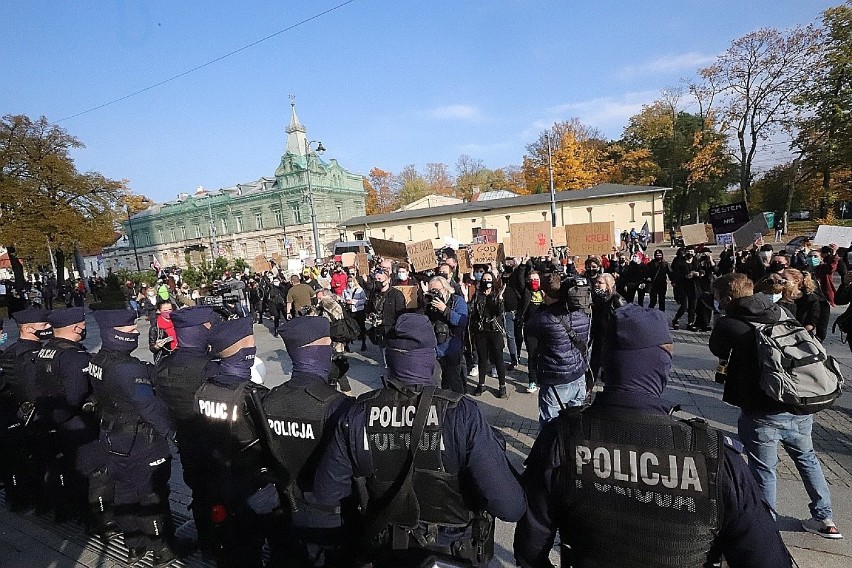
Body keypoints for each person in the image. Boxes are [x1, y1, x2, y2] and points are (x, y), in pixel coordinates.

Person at [514, 303, 793, 568]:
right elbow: (767, 559)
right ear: (660, 364)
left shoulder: (561, 438)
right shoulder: (713, 456)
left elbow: (530, 545)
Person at [314, 313, 526, 567]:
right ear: (430, 358)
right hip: (454, 552)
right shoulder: (461, 414)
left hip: (388, 551)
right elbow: (510, 507)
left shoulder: (357, 413)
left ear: (388, 358)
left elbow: (327, 493)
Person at [710, 273, 842, 538]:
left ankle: (764, 525)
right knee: (808, 460)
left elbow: (718, 349)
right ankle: (825, 518)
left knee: (763, 469)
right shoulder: (779, 311)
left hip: (762, 411)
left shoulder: (729, 323)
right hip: (797, 402)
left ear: (726, 298)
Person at [88, 310, 182, 565]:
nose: (136, 333)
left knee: (124, 492)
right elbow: (149, 407)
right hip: (141, 442)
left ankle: (134, 547)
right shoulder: (127, 369)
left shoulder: (99, 360)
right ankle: (163, 549)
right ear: (114, 333)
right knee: (151, 495)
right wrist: (174, 433)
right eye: (130, 330)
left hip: (112, 437)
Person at [261, 317, 354, 567]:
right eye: (328, 344)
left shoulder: (270, 399)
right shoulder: (338, 405)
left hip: (283, 509)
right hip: (326, 519)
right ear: (318, 350)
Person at [194, 317, 281, 567]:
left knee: (235, 546)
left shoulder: (204, 389)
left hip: (220, 479)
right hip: (254, 485)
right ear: (247, 344)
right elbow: (272, 445)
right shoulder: (252, 395)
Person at [33, 308, 118, 538]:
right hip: (79, 423)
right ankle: (104, 521)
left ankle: (82, 512)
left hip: (56, 421)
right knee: (97, 473)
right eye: (82, 324)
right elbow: (75, 395)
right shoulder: (74, 356)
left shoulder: (46, 350)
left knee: (74, 468)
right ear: (76, 328)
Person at [154, 305, 219, 556]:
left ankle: (207, 544)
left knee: (199, 494)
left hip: (186, 443)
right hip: (214, 445)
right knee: (220, 497)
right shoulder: (210, 367)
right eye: (208, 326)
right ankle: (223, 545)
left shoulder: (163, 365)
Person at [0, 308, 54, 511]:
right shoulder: (31, 355)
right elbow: (34, 390)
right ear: (29, 328)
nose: (49, 328)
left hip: (18, 416)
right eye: (44, 325)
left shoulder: (11, 352)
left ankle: (23, 497)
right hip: (34, 418)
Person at [528, 274, 591, 427]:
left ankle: (551, 449)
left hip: (556, 380)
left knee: (551, 425)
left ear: (543, 294)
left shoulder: (544, 318)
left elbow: (528, 328)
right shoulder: (583, 312)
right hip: (578, 375)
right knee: (576, 422)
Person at [424, 275, 468, 394]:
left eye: (437, 291)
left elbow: (462, 321)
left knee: (454, 380)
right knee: (435, 380)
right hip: (434, 347)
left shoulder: (457, 301)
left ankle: (459, 404)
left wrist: (445, 309)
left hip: (451, 347)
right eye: (431, 291)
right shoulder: (429, 302)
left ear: (446, 289)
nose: (434, 294)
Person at [468, 271, 508, 398]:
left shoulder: (497, 294)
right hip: (481, 331)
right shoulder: (478, 295)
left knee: (498, 358)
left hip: (494, 330)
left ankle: (502, 386)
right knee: (482, 358)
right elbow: (473, 312)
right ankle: (481, 384)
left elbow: (500, 312)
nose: (487, 282)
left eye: (489, 279)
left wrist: (499, 299)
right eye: (484, 279)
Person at [588, 273, 626, 381]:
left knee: (609, 366)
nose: (596, 284)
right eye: (596, 282)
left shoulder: (617, 300)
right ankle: (589, 389)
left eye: (600, 283)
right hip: (598, 336)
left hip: (611, 338)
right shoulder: (596, 298)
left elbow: (625, 321)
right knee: (593, 364)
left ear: (608, 285)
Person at [365, 269, 406, 351]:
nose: (377, 282)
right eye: (376, 279)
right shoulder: (374, 294)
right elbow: (369, 309)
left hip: (391, 330)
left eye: (380, 279)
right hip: (379, 330)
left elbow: (401, 314)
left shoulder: (396, 294)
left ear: (388, 280)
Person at [519, 270, 546, 393]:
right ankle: (532, 380)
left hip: (544, 329)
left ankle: (543, 376)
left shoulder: (545, 293)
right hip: (530, 330)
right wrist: (523, 265)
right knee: (532, 355)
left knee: (544, 355)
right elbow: (519, 280)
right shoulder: (526, 292)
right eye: (532, 279)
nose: (534, 281)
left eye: (536, 279)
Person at [342, 272, 368, 352]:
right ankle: (347, 344)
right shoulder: (345, 290)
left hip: (358, 310)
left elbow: (364, 300)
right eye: (348, 281)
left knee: (361, 326)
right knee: (349, 327)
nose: (350, 283)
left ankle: (363, 343)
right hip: (349, 311)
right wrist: (345, 301)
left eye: (351, 281)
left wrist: (353, 302)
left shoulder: (359, 290)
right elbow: (342, 299)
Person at [148, 298, 177, 363]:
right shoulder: (155, 327)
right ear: (159, 311)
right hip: (165, 358)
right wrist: (157, 346)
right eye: (165, 310)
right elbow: (152, 348)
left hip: (180, 355)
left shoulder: (178, 322)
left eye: (170, 309)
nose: (168, 312)